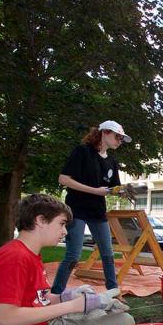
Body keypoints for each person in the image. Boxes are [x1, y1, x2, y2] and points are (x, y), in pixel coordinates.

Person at [0, 194, 134, 325]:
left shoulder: (28, 254)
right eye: (61, 224)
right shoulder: (14, 258)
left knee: (99, 312)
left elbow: (38, 299)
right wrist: (72, 306)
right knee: (124, 320)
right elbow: (4, 320)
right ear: (40, 220)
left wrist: (66, 296)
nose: (65, 231)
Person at [51, 120, 131, 295]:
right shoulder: (82, 152)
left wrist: (123, 191)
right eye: (118, 137)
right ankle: (55, 294)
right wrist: (95, 191)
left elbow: (112, 189)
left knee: (108, 254)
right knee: (73, 255)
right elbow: (64, 179)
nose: (120, 141)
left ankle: (113, 293)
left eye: (122, 139)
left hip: (97, 212)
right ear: (105, 132)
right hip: (77, 209)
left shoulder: (112, 162)